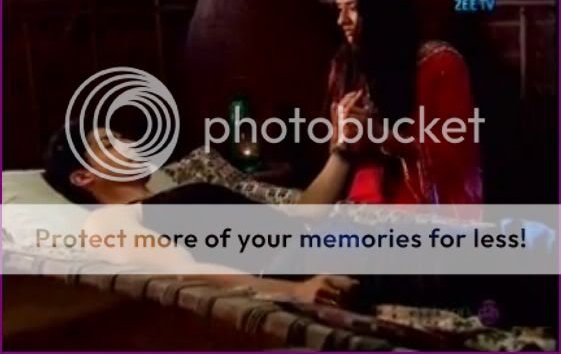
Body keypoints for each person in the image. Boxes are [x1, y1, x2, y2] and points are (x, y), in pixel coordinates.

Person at [43, 114, 362, 305]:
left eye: (122, 136)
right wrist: (296, 291)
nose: (129, 143)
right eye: (109, 144)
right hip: (295, 264)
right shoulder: (106, 221)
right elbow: (184, 270)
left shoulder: (177, 194)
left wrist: (343, 151)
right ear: (83, 177)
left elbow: (303, 217)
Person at [329, 0, 482, 205]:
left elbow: (454, 154)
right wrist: (343, 137)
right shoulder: (346, 66)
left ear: (380, 9)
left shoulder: (440, 64)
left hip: (424, 209)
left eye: (353, 8)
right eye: (339, 8)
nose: (341, 20)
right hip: (362, 205)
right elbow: (338, 158)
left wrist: (383, 137)